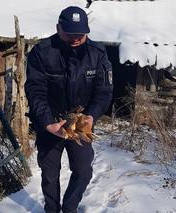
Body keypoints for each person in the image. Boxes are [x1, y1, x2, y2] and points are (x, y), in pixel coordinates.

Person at [25, 6, 113, 213]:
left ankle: (70, 208)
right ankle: (52, 209)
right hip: (50, 121)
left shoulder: (97, 53)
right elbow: (35, 90)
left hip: (81, 121)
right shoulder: (42, 52)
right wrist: (47, 122)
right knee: (49, 174)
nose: (75, 38)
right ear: (58, 27)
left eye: (80, 34)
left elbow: (104, 91)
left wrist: (91, 115)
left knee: (83, 170)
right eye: (70, 33)